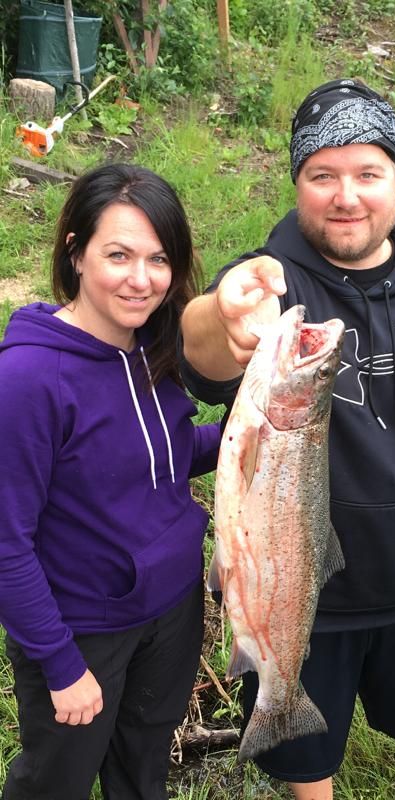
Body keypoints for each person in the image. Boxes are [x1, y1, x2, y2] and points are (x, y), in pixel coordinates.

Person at [179, 79, 395, 799]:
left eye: (368, 173)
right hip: (301, 599)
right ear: (297, 180)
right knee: (306, 764)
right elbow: (202, 353)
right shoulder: (269, 284)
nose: (347, 196)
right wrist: (221, 315)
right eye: (322, 174)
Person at [0, 163, 221, 800]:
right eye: (118, 255)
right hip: (83, 630)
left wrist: (247, 434)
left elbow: (160, 457)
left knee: (143, 774)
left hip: (172, 612)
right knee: (55, 782)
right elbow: (7, 542)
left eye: (159, 259)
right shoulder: (28, 380)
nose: (141, 279)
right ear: (75, 252)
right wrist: (60, 664)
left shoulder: (153, 346)